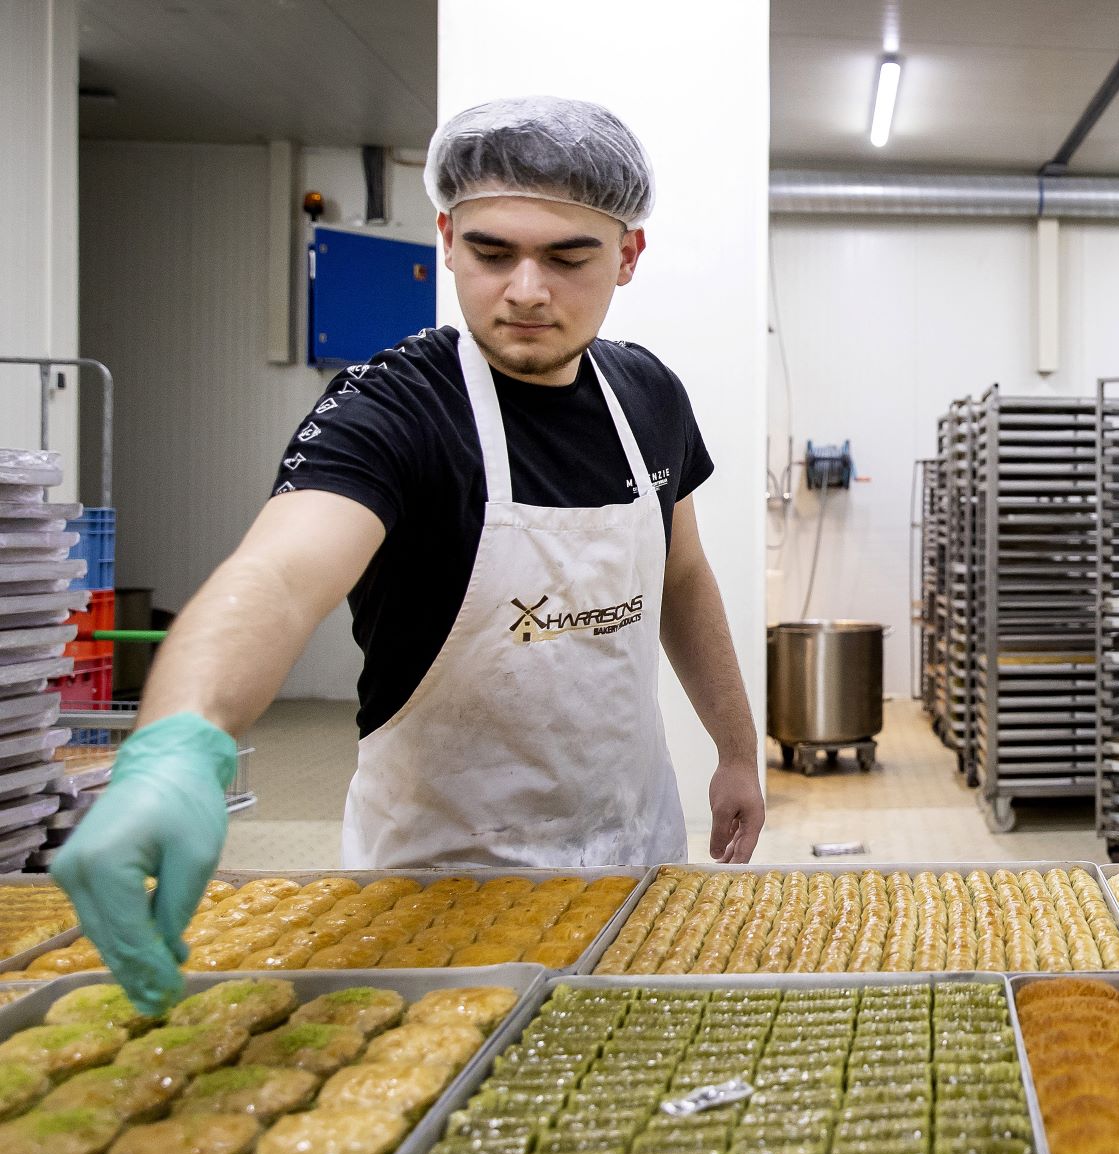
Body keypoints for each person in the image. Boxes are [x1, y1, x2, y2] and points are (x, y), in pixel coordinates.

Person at [51, 96, 765, 1012]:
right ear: (447, 237)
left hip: (632, 850)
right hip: (438, 883)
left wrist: (736, 749)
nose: (526, 290)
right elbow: (277, 574)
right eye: (492, 252)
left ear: (627, 254)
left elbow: (683, 575)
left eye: (568, 256)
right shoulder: (393, 409)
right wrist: (180, 743)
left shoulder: (648, 394)